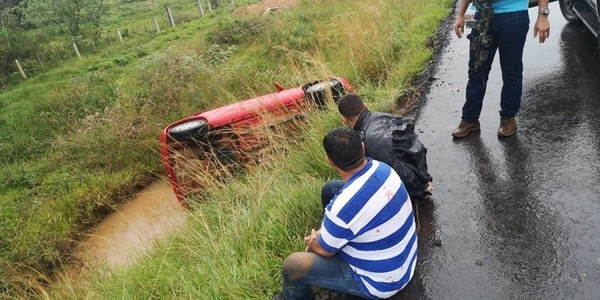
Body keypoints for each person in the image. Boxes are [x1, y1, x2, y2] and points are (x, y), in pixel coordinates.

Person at [273, 127, 418, 300]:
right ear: (362, 148)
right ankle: (334, 234)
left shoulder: (342, 209)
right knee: (330, 189)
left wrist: (313, 242)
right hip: (404, 260)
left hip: (382, 282)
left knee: (293, 265)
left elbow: (324, 251)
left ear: (330, 161)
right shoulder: (383, 169)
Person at [451, 0, 551, 138]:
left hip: (513, 16)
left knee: (511, 71)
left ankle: (508, 118)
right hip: (482, 15)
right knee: (476, 70)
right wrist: (460, 15)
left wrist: (543, 16)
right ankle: (470, 118)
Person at [335, 93, 433, 205]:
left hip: (411, 189)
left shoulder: (369, 140)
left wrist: (422, 186)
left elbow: (396, 169)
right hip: (419, 169)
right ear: (365, 105)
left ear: (344, 119)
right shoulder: (381, 116)